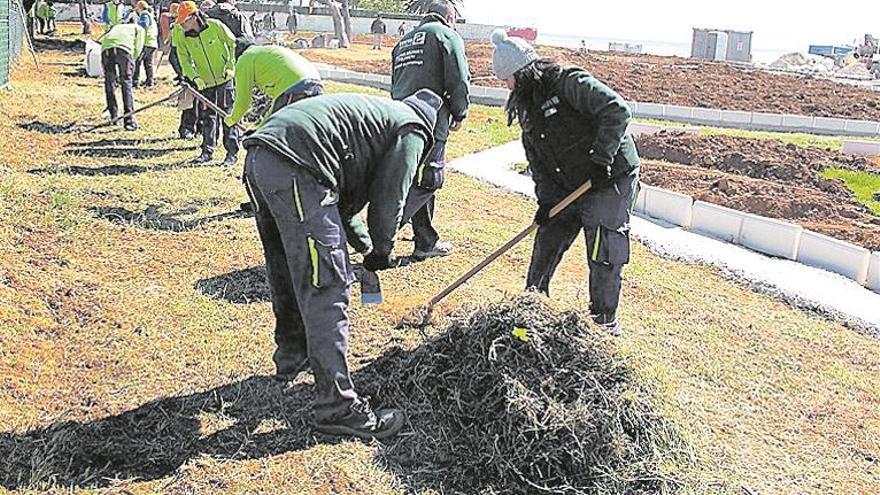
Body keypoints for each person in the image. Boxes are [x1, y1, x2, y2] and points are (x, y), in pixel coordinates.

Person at [240, 89, 442, 439]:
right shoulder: (413, 129)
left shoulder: (376, 118)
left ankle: (292, 356)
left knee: (287, 269)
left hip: (263, 158)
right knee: (327, 283)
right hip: (298, 168)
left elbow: (342, 208)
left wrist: (364, 247)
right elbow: (390, 197)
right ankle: (338, 408)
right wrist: (382, 250)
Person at [490, 29, 640, 336]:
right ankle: (531, 308)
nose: (506, 87)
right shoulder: (529, 108)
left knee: (603, 246)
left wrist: (601, 160)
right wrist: (546, 202)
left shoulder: (569, 82)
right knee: (547, 237)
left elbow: (617, 110)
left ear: (525, 72)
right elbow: (538, 161)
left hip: (610, 177)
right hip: (568, 185)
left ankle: (603, 323)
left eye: (508, 79)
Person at [390, 0, 469, 260]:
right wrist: (460, 112)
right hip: (430, 117)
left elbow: (396, 82)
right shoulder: (447, 35)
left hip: (399, 117)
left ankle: (425, 242)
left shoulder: (404, 42)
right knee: (430, 178)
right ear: (449, 18)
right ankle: (377, 236)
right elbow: (458, 77)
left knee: (414, 178)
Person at [174, 1, 239, 166]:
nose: (182, 25)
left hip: (224, 79)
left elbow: (232, 44)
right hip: (204, 82)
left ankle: (231, 153)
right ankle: (207, 151)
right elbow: (184, 60)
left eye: (184, 22)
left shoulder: (215, 26)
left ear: (194, 17)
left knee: (228, 116)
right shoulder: (183, 36)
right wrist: (194, 77)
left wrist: (231, 66)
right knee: (208, 117)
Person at [224, 41, 323, 128]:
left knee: (278, 134)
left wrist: (232, 119)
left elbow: (243, 101)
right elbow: (275, 107)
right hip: (316, 83)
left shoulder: (245, 59)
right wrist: (259, 128)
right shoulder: (266, 52)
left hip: (295, 88)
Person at [101, 23, 146, 131]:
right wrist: (133, 62)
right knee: (126, 83)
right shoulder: (139, 29)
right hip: (124, 51)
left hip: (106, 49)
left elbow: (105, 40)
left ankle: (114, 116)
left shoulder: (117, 26)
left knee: (109, 83)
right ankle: (129, 121)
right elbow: (138, 47)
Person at [133, 1, 158, 87]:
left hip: (146, 42)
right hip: (152, 43)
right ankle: (149, 82)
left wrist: (135, 27)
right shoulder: (150, 15)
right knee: (148, 63)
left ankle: (135, 81)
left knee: (137, 61)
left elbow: (143, 25)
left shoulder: (144, 15)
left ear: (139, 8)